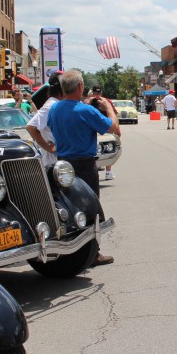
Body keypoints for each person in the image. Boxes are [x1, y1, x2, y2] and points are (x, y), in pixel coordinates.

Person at [48, 69, 120, 266]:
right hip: (84, 164)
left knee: (68, 208)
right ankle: (93, 253)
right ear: (80, 87)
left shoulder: (55, 109)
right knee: (91, 207)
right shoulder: (85, 110)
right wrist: (109, 108)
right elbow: (114, 128)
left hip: (62, 163)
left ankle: (71, 247)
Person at [25, 73, 63, 168]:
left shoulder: (56, 103)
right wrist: (49, 147)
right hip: (53, 161)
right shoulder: (52, 105)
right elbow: (30, 127)